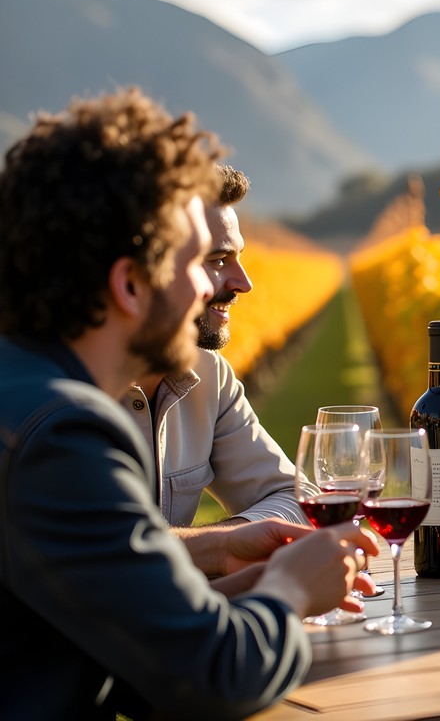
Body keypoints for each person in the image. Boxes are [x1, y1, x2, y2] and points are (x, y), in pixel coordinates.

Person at [0, 87, 377, 719]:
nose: (218, 285)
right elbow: (210, 677)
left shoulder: (25, 392)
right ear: (128, 284)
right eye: (197, 264)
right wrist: (287, 588)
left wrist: (228, 582)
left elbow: (103, 634)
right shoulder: (63, 434)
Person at [121, 163, 316, 526]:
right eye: (217, 260)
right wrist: (220, 549)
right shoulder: (52, 393)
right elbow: (93, 557)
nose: (244, 283)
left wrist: (231, 539)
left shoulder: (209, 377)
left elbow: (298, 501)